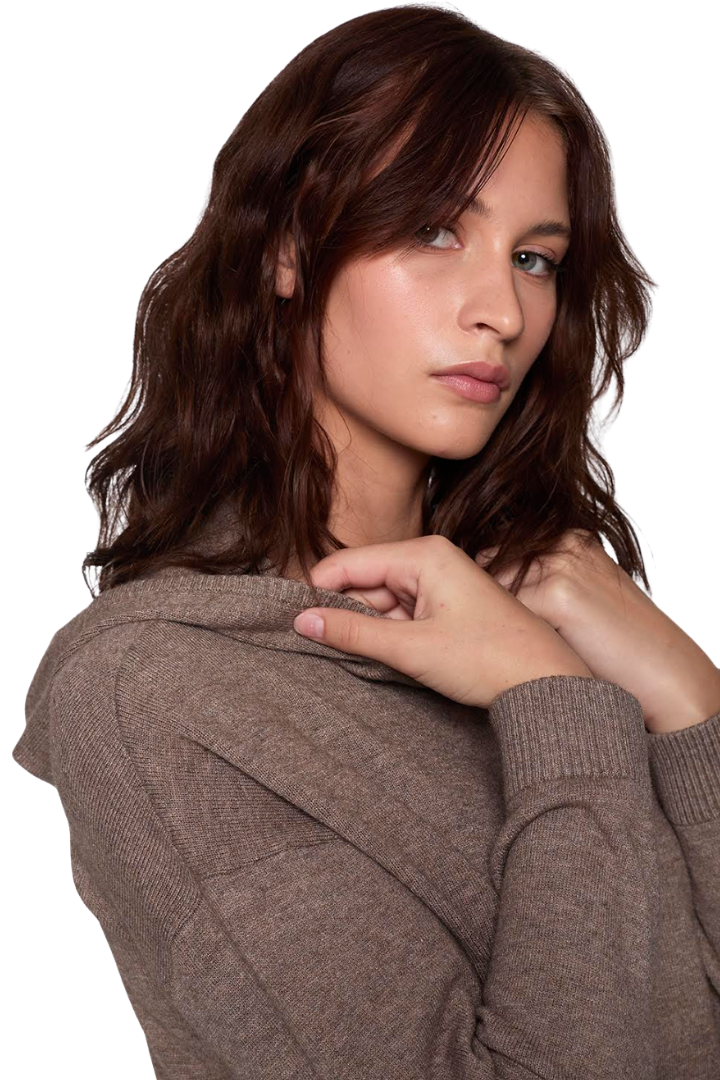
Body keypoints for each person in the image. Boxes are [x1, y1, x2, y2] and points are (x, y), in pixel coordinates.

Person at [13, 5, 720, 1077]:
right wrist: (558, 706)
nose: (503, 311)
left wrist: (693, 706)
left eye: (535, 258)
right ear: (288, 250)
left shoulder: (556, 617)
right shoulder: (160, 695)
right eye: (435, 231)